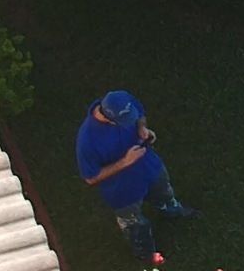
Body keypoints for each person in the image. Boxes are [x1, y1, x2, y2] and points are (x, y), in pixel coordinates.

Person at [74, 90, 196, 255]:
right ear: (109, 119)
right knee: (133, 223)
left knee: (164, 192)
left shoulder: (123, 101)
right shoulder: (87, 141)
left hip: (150, 168)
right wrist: (125, 162)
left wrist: (142, 128)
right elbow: (90, 177)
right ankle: (144, 250)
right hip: (123, 190)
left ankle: (172, 211)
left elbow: (140, 115)